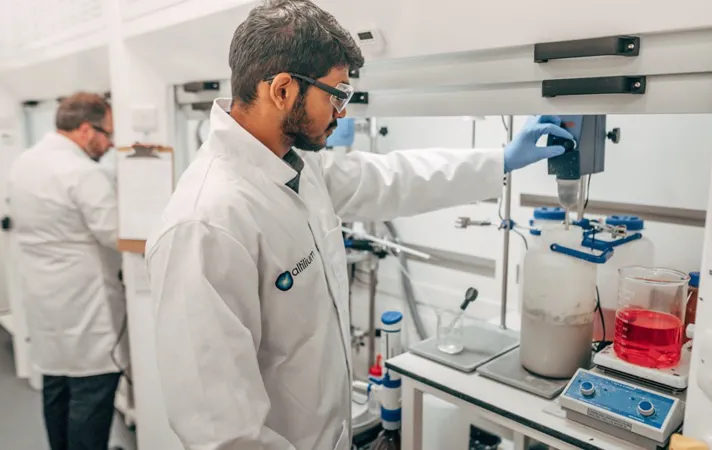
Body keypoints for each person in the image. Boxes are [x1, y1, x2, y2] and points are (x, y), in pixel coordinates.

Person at [145, 1, 575, 449]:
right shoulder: (206, 225)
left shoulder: (296, 168)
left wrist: (501, 161)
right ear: (282, 90)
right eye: (336, 93)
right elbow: (223, 434)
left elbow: (391, 179)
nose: (342, 111)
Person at [8, 92, 126, 450]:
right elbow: (116, 233)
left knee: (57, 389)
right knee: (91, 393)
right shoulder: (83, 173)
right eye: (107, 134)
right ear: (87, 129)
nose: (109, 144)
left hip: (45, 302)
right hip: (85, 305)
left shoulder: (24, 162)